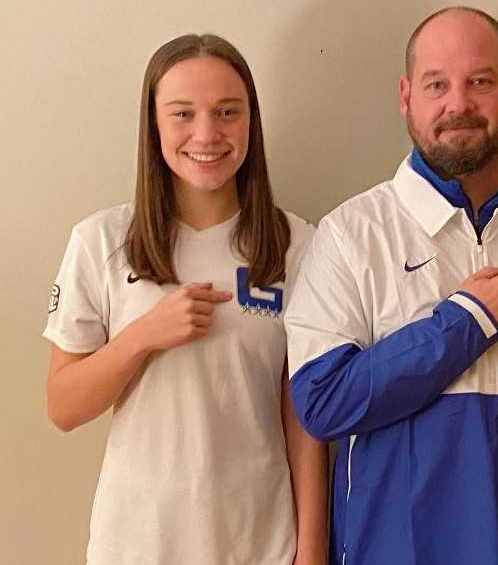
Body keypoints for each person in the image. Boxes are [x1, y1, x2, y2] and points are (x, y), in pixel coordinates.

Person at [285, 7, 498, 565]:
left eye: (480, 81)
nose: (459, 104)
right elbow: (322, 403)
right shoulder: (351, 233)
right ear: (406, 97)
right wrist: (466, 323)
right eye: (436, 84)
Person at [44, 34, 327, 564]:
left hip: (260, 541)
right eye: (182, 114)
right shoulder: (101, 241)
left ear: (250, 121)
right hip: (137, 543)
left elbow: (302, 413)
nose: (206, 134)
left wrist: (312, 548)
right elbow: (64, 407)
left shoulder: (297, 244)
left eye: (227, 112)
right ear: (153, 124)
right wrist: (142, 337)